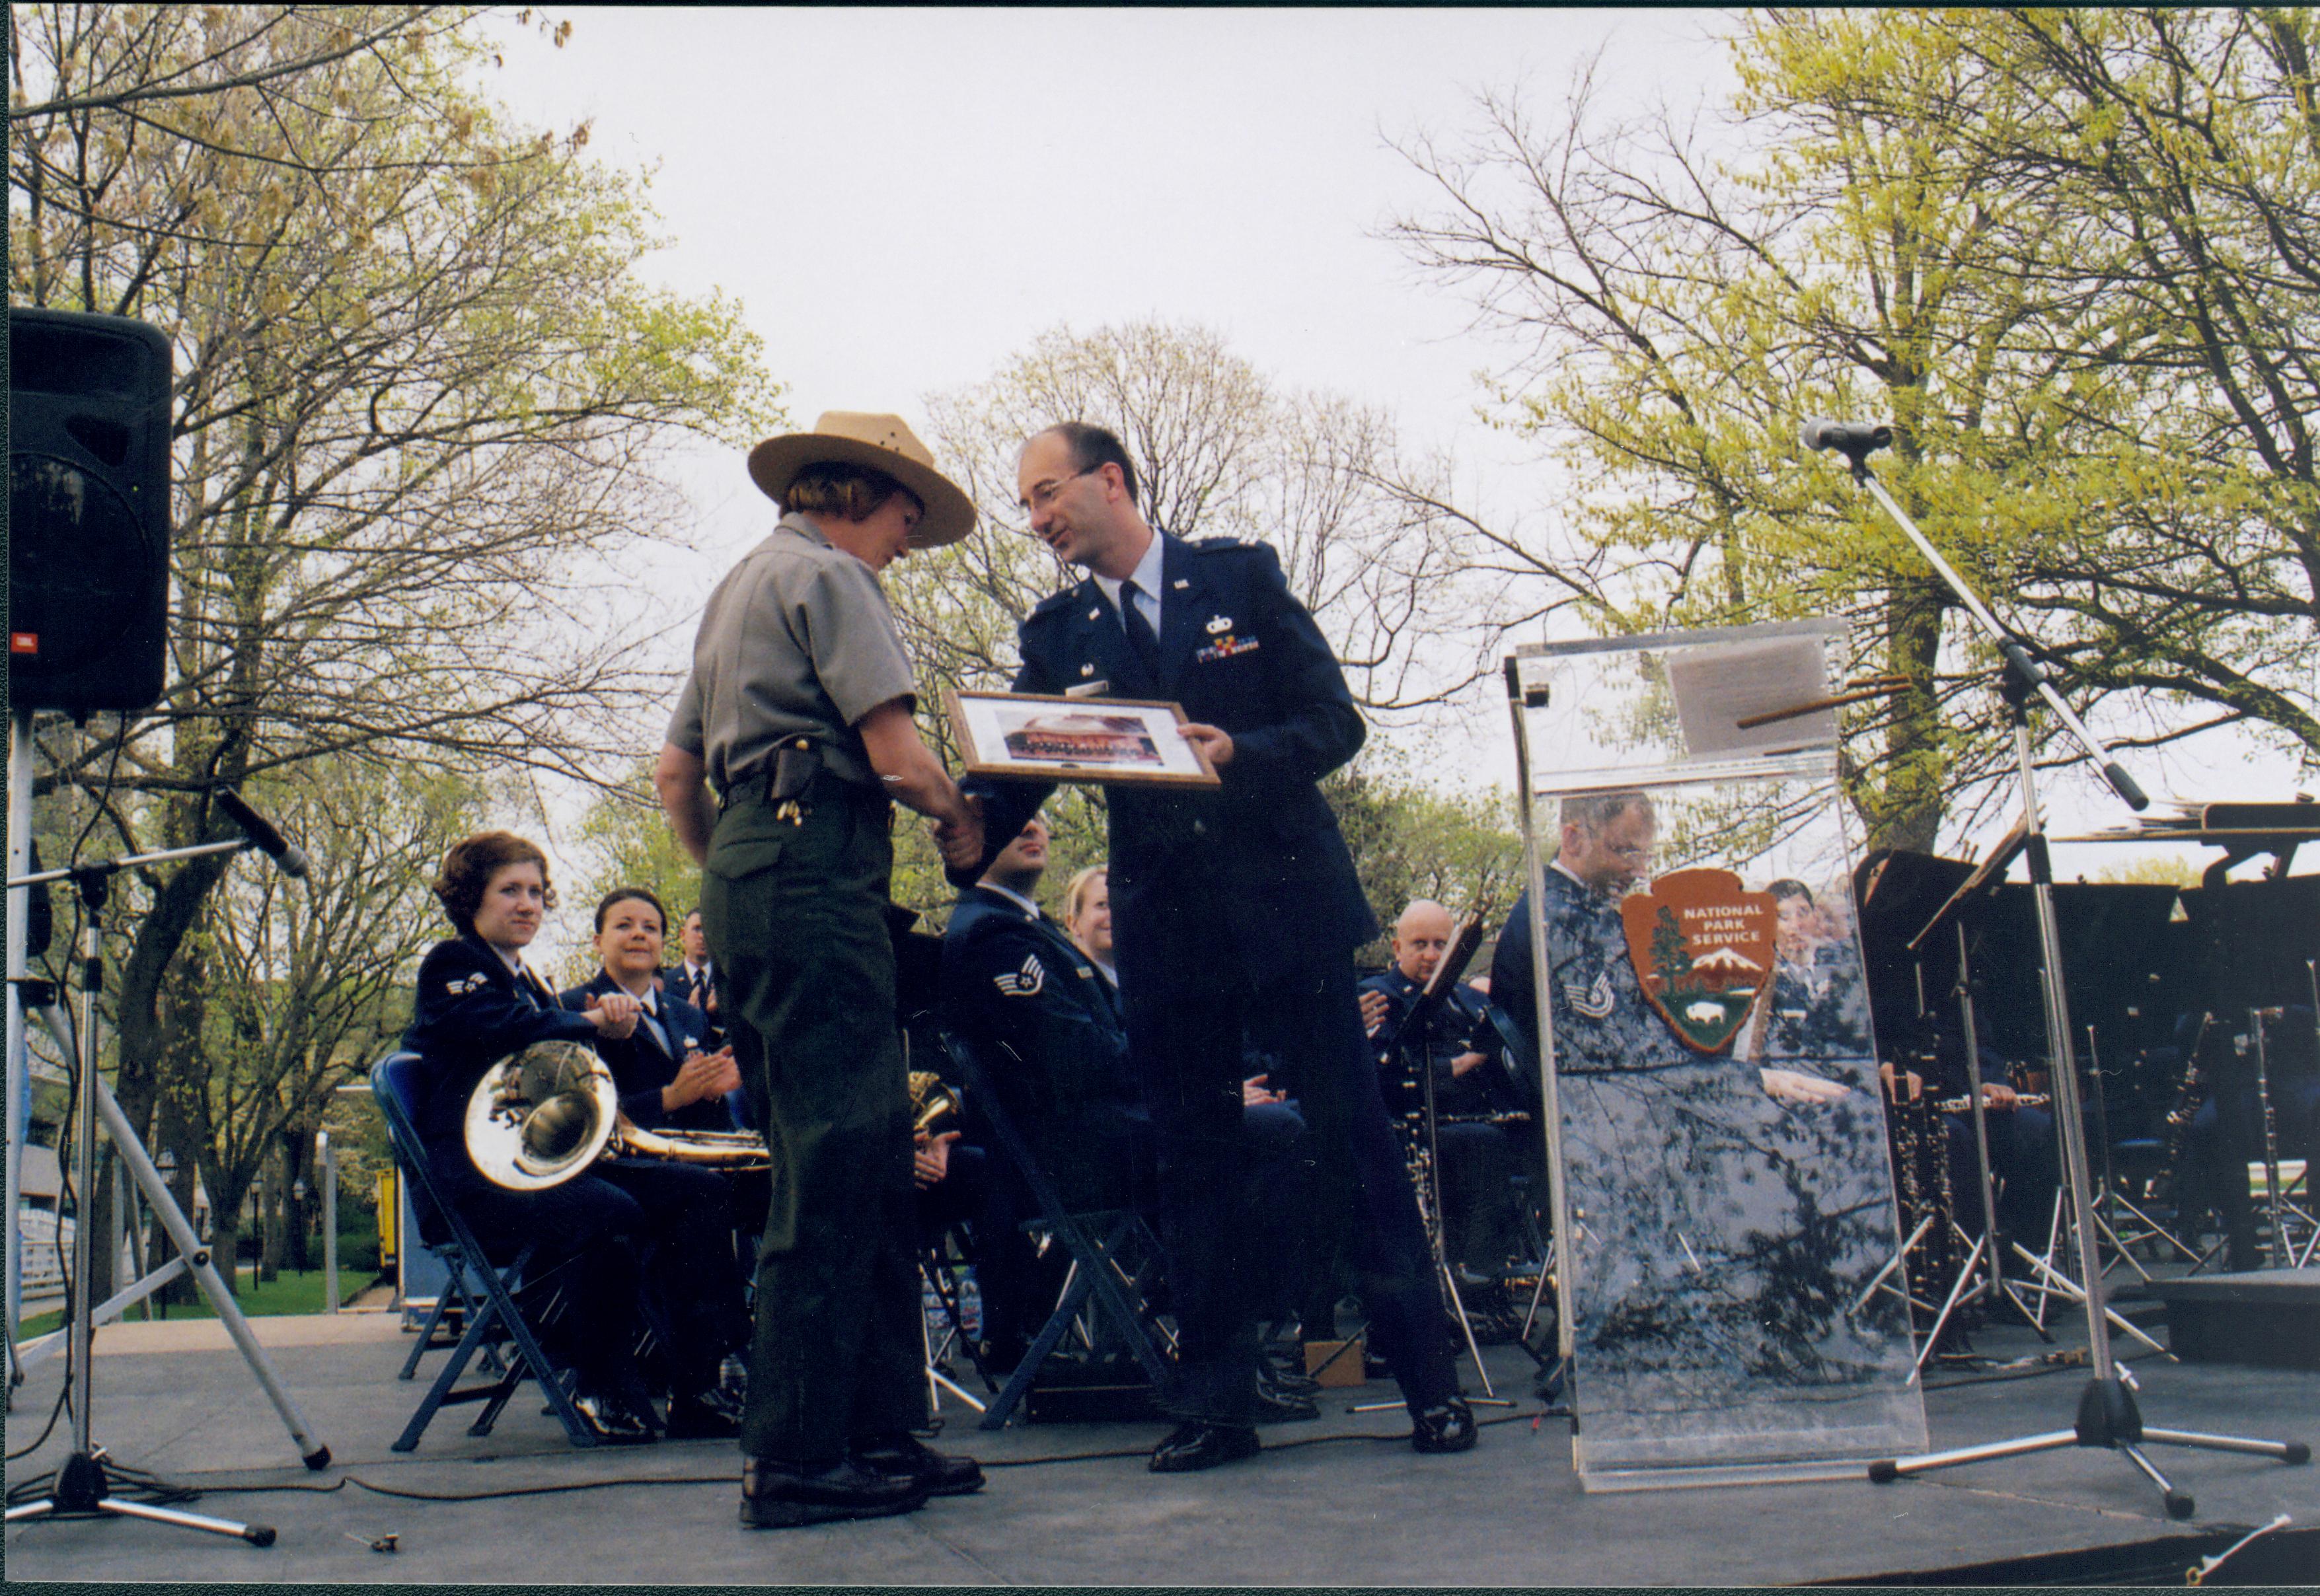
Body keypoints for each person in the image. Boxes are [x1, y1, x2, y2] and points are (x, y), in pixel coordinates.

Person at [956, 421, 1470, 1472]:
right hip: (1167, 933)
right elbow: (1031, 762)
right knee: (1192, 1163)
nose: (1038, 519)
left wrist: (1243, 752)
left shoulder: (1238, 578)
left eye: (1048, 494)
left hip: (1285, 912)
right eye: (1026, 505)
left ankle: (1428, 1387)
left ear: (1111, 481)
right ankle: (1215, 1408)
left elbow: (1334, 724)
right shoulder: (1056, 635)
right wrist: (964, 824)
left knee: (1354, 1143)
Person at [655, 411, 987, 1530]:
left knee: (855, 1149)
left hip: (753, 866)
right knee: (842, 1156)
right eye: (906, 514)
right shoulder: (835, 579)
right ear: (856, 495)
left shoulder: (737, 589)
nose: (906, 536)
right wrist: (956, 821)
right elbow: (898, 757)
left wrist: (738, 872)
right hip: (816, 861)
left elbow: (672, 775)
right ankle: (799, 1452)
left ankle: (879, 1427)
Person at [400, 832, 671, 1442]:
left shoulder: (527, 980)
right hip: (472, 1182)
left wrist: (609, 1033)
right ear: (472, 898)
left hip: (526, 1167)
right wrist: (593, 1020)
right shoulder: (454, 963)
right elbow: (504, 1030)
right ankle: (600, 1386)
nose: (528, 904)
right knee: (612, 1213)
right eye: (510, 891)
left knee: (691, 1190)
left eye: (535, 892)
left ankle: (693, 1379)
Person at [1361, 900, 1532, 1284]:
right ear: (1396, 948)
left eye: (1441, 944)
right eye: (1419, 944)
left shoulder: (1472, 1000)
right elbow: (1382, 1075)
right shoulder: (1376, 998)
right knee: (1481, 1141)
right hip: (1417, 1127)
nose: (1431, 954)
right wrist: (1459, 1065)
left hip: (1485, 1117)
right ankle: (1479, 1277)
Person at [667, 908, 725, 1047]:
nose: (703, 936)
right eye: (697, 929)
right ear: (683, 934)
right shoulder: (667, 982)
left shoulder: (727, 980)